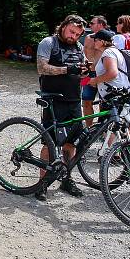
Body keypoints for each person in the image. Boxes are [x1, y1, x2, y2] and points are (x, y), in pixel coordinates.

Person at [34, 14, 88, 201]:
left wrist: (83, 72)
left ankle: (66, 178)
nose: (74, 36)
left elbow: (80, 74)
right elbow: (42, 68)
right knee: (49, 143)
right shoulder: (49, 42)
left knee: (71, 142)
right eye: (71, 31)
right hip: (53, 99)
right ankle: (42, 183)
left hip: (74, 100)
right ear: (63, 26)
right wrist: (67, 69)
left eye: (78, 34)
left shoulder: (79, 47)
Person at [86, 29, 130, 100]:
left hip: (114, 95)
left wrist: (94, 81)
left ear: (102, 42)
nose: (94, 42)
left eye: (95, 40)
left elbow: (112, 73)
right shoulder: (114, 51)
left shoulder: (108, 52)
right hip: (117, 93)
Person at [81, 15, 109, 125]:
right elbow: (83, 53)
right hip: (88, 74)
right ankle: (89, 127)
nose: (90, 25)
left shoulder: (109, 38)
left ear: (101, 24)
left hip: (104, 73)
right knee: (86, 100)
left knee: (105, 102)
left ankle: (104, 126)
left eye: (92, 23)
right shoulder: (88, 37)